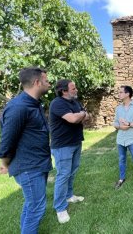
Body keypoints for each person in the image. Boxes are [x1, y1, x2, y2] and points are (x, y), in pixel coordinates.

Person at [0, 67, 51, 234]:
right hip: (29, 167)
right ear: (37, 82)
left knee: (32, 205)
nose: (49, 83)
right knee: (36, 207)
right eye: (46, 80)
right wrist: (5, 163)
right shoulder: (18, 107)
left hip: (38, 164)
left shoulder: (34, 104)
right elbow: (6, 143)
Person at [49, 79, 89, 224]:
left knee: (72, 171)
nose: (76, 90)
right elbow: (73, 119)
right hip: (62, 146)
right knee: (63, 175)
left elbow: (86, 116)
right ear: (64, 91)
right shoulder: (57, 103)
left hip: (76, 142)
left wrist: (81, 115)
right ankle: (60, 208)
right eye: (73, 88)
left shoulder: (75, 102)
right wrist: (81, 115)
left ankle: (69, 195)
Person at [113, 85, 133, 189]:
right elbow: (115, 123)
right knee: (121, 159)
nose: (119, 94)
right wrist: (120, 127)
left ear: (127, 94)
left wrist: (129, 124)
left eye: (121, 92)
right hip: (121, 138)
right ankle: (121, 179)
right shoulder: (118, 108)